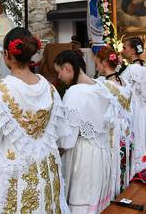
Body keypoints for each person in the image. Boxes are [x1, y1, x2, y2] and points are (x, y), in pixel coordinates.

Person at [0, 27, 74, 214]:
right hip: (44, 166)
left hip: (11, 167)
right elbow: (62, 134)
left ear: (7, 55)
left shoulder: (0, 92)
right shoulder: (49, 89)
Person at [54, 50, 113, 213]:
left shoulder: (74, 93)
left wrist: (56, 151)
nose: (59, 77)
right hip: (100, 152)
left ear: (67, 68)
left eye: (59, 72)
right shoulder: (100, 86)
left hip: (83, 155)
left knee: (81, 199)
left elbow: (67, 137)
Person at [95, 46, 133, 198]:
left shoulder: (104, 85)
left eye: (97, 63)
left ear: (104, 64)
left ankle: (110, 197)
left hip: (112, 132)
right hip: (126, 131)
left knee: (112, 165)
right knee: (122, 164)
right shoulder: (124, 81)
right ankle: (121, 192)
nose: (97, 67)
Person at [122, 37, 146, 176]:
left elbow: (122, 89)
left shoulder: (132, 69)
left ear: (133, 50)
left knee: (135, 133)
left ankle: (134, 168)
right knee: (142, 133)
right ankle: (142, 162)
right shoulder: (145, 68)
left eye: (125, 48)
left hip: (134, 108)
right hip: (143, 109)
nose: (123, 50)